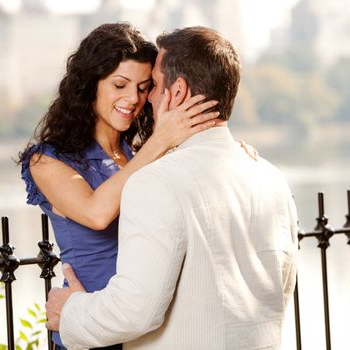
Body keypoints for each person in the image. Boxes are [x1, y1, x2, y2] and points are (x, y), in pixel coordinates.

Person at [45, 26, 298, 350]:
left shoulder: (153, 178)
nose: (142, 98)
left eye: (150, 86)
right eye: (121, 85)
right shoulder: (271, 177)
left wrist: (69, 313)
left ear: (176, 92)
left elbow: (135, 312)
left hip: (103, 322)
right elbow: (281, 289)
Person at [19, 23, 220, 350]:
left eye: (143, 87)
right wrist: (161, 141)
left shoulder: (139, 154)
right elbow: (97, 213)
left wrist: (228, 152)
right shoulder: (46, 161)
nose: (133, 99)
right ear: (90, 85)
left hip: (147, 333)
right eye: (120, 85)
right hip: (90, 328)